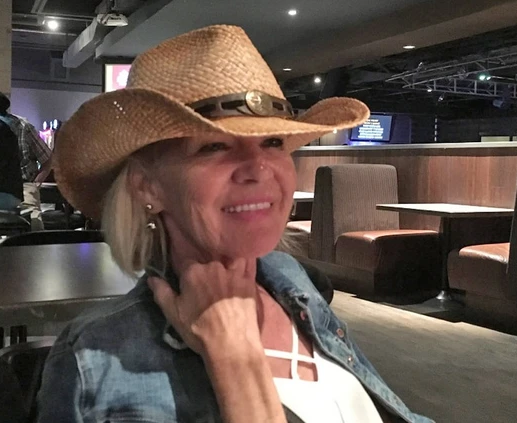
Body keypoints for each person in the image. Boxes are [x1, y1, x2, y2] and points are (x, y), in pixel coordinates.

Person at [37, 25, 433, 423]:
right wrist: (234, 367)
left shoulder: (291, 280)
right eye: (214, 146)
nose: (258, 168)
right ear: (147, 185)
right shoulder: (97, 361)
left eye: (273, 143)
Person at [7, 114, 53, 231]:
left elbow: (47, 159)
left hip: (25, 184)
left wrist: (35, 184)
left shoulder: (23, 127)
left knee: (34, 223)